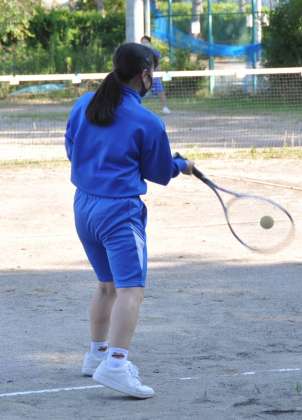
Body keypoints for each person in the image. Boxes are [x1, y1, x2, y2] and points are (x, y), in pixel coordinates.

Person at [64, 42, 193, 399]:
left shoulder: (83, 104)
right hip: (119, 213)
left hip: (84, 206)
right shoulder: (148, 121)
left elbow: (73, 150)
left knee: (106, 285)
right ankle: (116, 365)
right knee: (130, 291)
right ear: (145, 74)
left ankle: (96, 354)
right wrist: (180, 165)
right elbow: (160, 172)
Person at [140, 35, 171, 114]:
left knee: (160, 90)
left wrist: (156, 71)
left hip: (154, 75)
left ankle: (165, 107)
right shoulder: (139, 52)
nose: (144, 43)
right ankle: (138, 108)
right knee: (138, 91)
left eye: (146, 42)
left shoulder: (154, 52)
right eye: (142, 42)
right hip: (143, 75)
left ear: (149, 43)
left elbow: (158, 64)